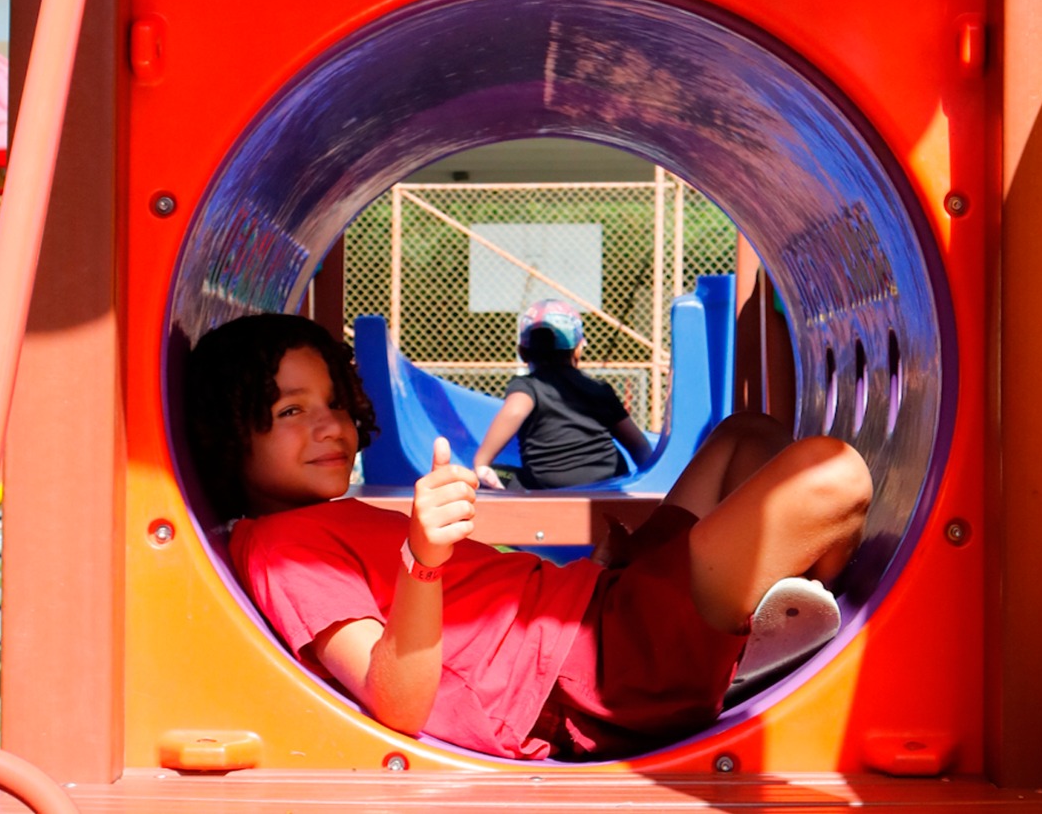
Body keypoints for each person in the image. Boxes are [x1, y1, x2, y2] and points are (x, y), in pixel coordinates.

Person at [185, 312, 871, 761]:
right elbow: (395, 703)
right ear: (228, 434)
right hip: (602, 667)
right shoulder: (281, 549)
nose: (329, 425)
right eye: (290, 411)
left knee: (745, 437)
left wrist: (593, 575)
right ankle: (742, 644)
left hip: (597, 610)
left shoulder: (319, 519)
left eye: (333, 402)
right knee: (829, 474)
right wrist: (422, 561)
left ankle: (746, 628)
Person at [472, 299, 652, 491]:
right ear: (578, 351)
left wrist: (481, 463)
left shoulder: (530, 386)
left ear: (522, 352)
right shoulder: (599, 389)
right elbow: (639, 446)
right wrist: (647, 479)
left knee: (483, 476)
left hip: (549, 485)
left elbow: (515, 410)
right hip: (607, 480)